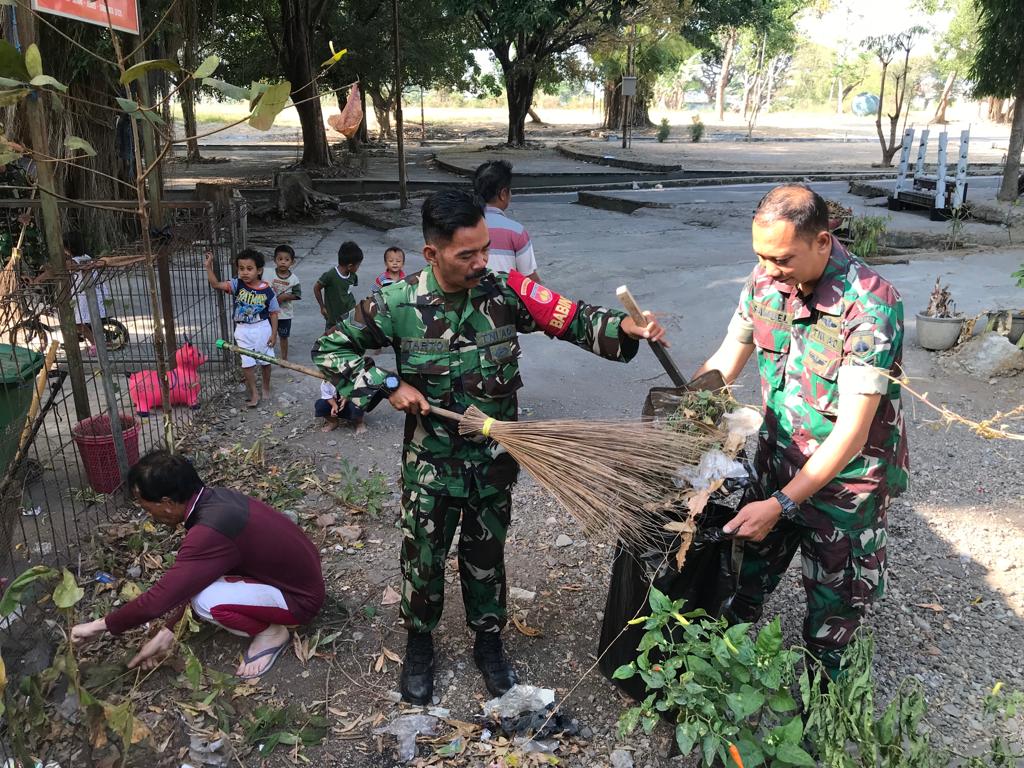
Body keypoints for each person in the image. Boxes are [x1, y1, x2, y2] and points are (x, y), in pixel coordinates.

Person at [312, 188, 665, 705]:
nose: (482, 262)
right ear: (432, 253)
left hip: (493, 462)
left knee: (486, 556)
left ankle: (489, 642)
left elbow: (573, 318)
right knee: (424, 558)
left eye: (485, 249)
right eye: (467, 254)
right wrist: (387, 386)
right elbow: (332, 347)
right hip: (431, 465)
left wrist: (625, 326)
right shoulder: (395, 303)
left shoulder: (504, 292)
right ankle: (420, 643)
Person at [694, 184, 908, 681]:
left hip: (843, 488)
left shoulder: (869, 307)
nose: (770, 269)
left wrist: (783, 505)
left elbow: (851, 434)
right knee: (743, 582)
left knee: (830, 619)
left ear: (823, 241)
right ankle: (720, 681)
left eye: (783, 258)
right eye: (761, 256)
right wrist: (691, 403)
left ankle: (819, 715)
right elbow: (728, 357)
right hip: (776, 464)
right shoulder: (765, 281)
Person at [70, 451, 325, 680]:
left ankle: (271, 633)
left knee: (205, 601)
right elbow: (195, 578)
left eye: (145, 505)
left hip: (299, 601)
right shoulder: (216, 500)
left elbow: (159, 599)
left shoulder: (208, 532)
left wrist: (99, 626)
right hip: (297, 580)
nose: (148, 513)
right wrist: (169, 631)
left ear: (167, 503)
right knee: (198, 591)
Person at [205, 248, 279, 408]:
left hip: (262, 328)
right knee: (247, 363)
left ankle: (266, 387)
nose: (245, 272)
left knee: (266, 361)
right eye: (241, 268)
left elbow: (273, 313)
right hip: (242, 330)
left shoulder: (268, 291)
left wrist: (274, 334)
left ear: (259, 270)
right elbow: (216, 284)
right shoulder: (236, 284)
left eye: (249, 269)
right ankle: (254, 392)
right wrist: (208, 267)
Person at [472, 160, 540, 281]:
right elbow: (529, 279)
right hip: (504, 298)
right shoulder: (516, 231)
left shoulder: (462, 226)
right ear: (503, 194)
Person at [64, 231, 110, 357]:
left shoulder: (73, 262)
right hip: (91, 292)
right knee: (90, 320)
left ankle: (95, 344)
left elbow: (62, 268)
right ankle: (97, 342)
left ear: (69, 248)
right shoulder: (87, 256)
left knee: (78, 323)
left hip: (84, 295)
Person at [314, 241, 363, 332]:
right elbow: (316, 288)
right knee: (331, 340)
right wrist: (322, 306)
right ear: (350, 266)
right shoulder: (330, 275)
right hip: (333, 318)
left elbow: (348, 292)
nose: (358, 268)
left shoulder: (353, 276)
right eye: (358, 265)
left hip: (349, 316)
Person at [267, 244, 301, 361]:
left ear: (292, 262)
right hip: (269, 313)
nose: (283, 262)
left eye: (286, 260)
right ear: (275, 260)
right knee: (268, 334)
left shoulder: (294, 279)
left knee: (283, 336)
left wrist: (286, 296)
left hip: (284, 314)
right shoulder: (268, 273)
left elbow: (297, 294)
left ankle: (284, 358)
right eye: (280, 259)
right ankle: (266, 356)